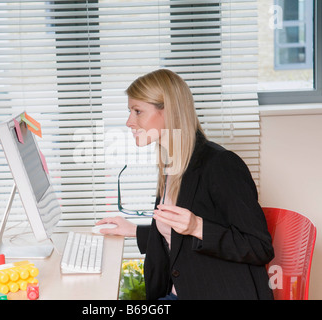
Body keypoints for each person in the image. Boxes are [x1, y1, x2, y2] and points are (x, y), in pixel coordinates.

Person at [97, 69, 274, 300]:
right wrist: (133, 230)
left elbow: (259, 246)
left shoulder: (220, 165)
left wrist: (197, 227)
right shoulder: (172, 165)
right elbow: (179, 236)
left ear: (168, 112)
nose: (129, 121)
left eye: (138, 111)